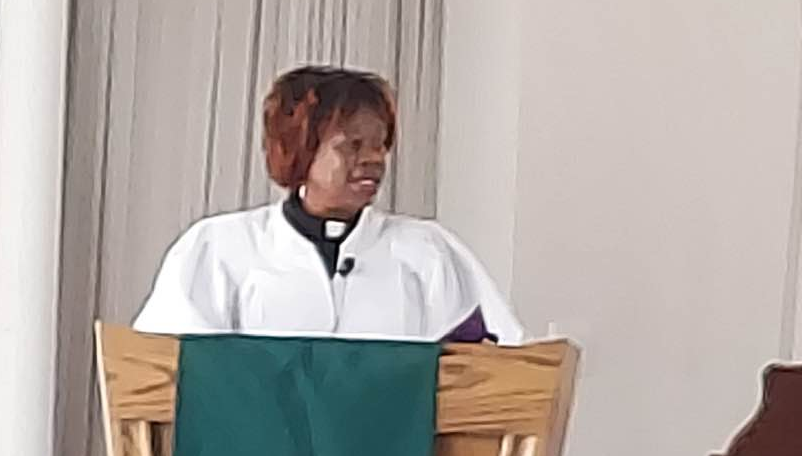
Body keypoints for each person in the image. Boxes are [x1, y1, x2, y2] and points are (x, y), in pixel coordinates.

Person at [134, 65, 524, 343]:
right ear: (300, 152)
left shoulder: (427, 252)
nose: (374, 159)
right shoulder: (218, 249)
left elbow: (497, 363)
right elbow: (162, 371)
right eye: (352, 145)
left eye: (380, 144)